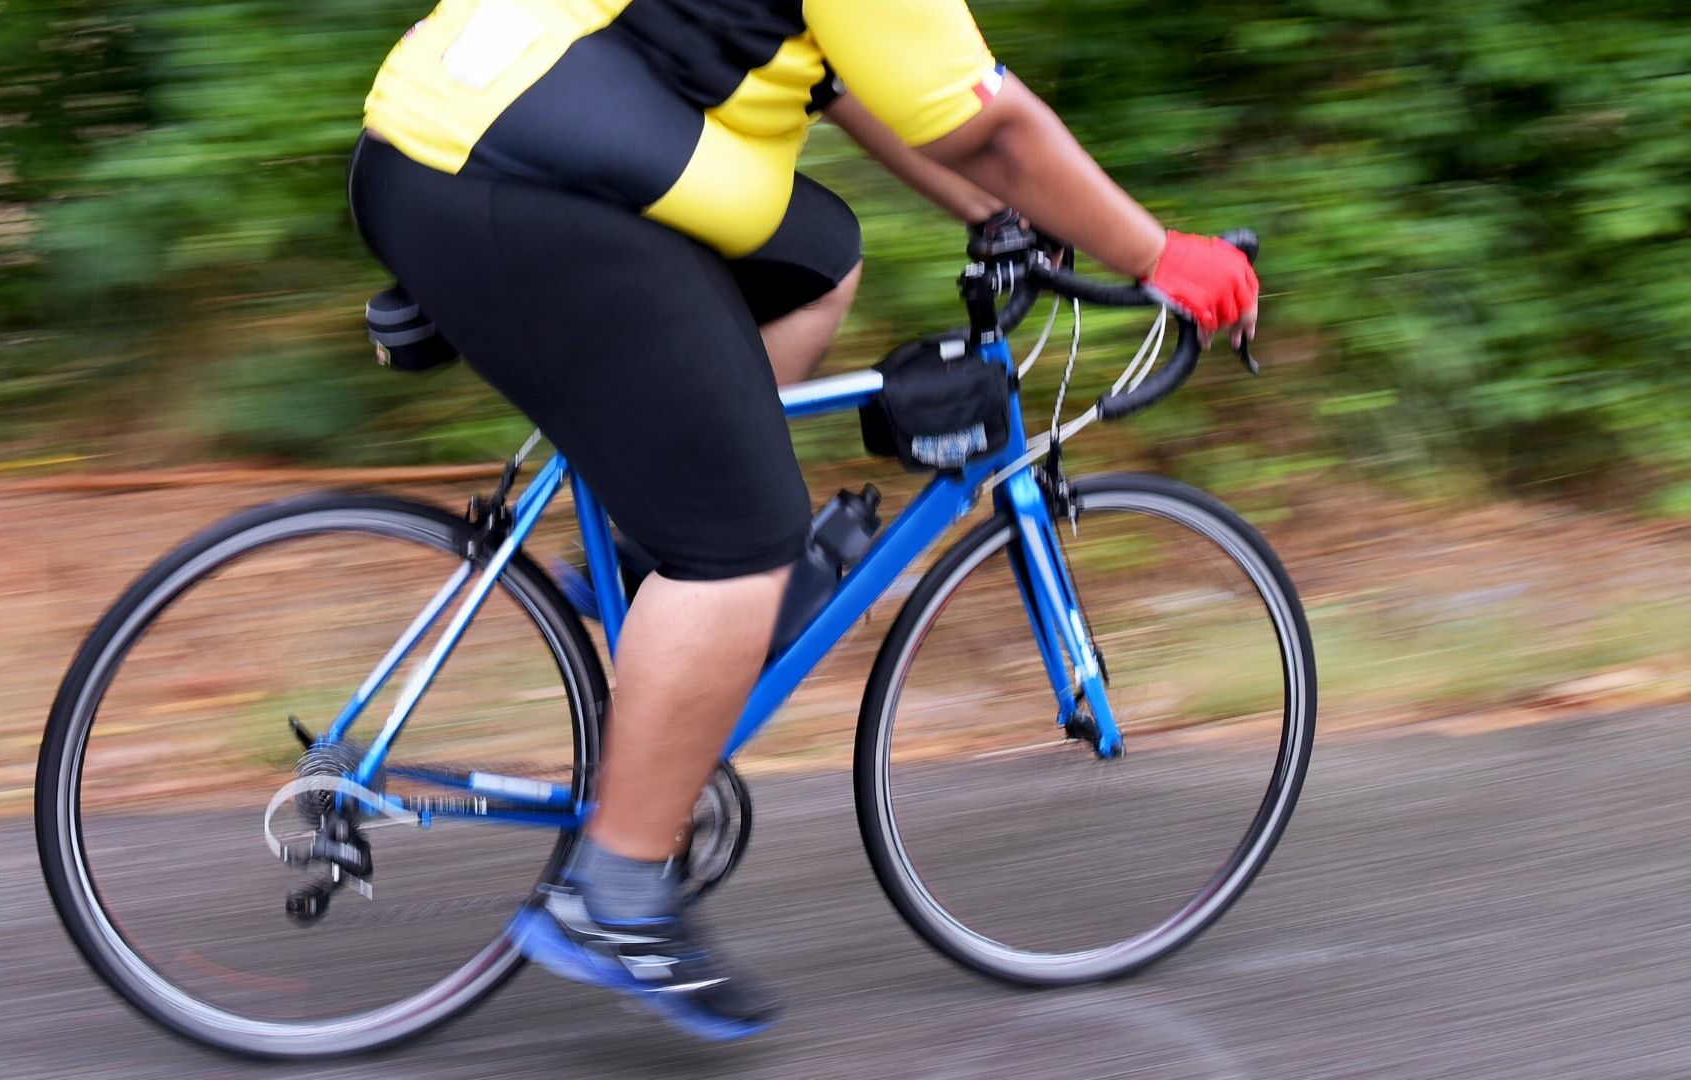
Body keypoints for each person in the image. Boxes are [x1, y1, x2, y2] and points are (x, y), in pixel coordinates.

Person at [348, 0, 1260, 1042]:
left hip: (449, 141)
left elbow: (854, 83)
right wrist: (1160, 257)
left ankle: (649, 569)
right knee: (743, 540)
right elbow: (996, 126)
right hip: (516, 184)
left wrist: (994, 216)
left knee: (818, 258)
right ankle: (617, 892)